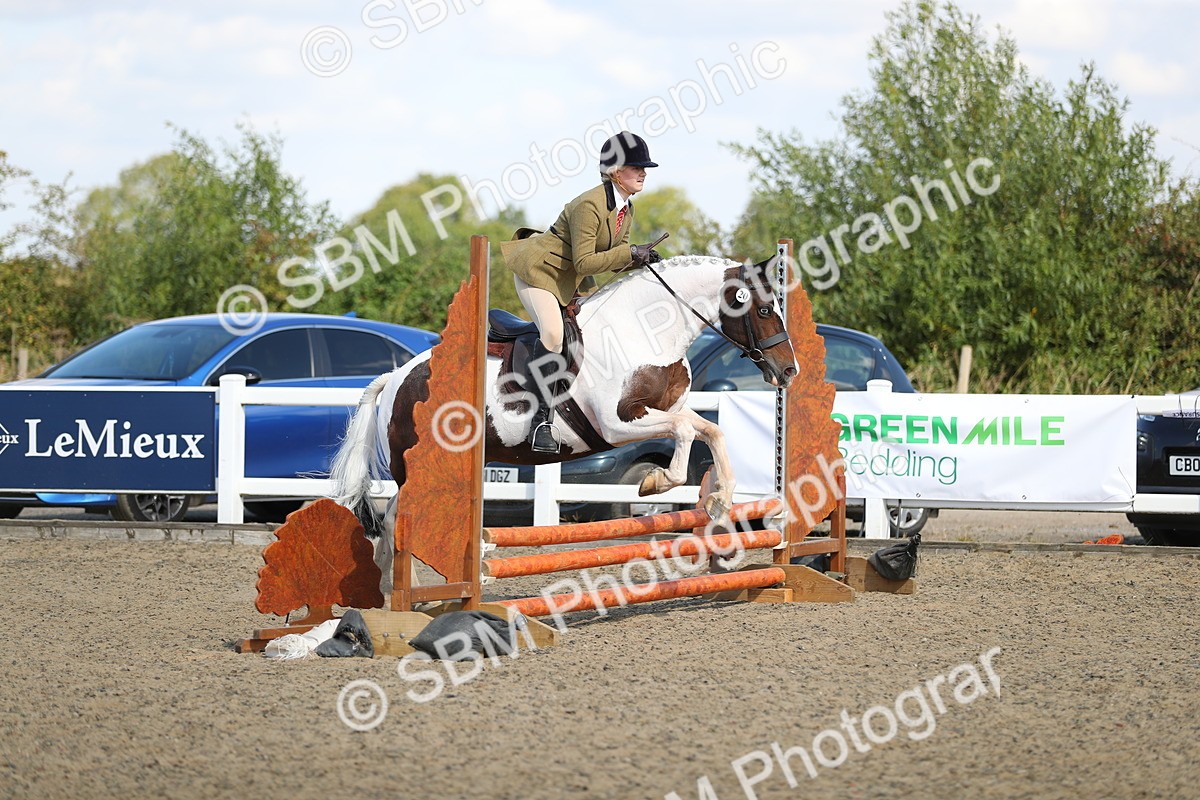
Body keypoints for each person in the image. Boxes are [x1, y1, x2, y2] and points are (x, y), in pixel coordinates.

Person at [500, 130, 664, 453]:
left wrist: (638, 259)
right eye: (637, 167)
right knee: (552, 335)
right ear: (616, 172)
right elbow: (587, 261)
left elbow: (609, 260)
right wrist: (630, 253)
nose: (644, 172)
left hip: (568, 281)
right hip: (538, 274)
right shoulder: (588, 205)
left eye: (645, 167)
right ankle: (540, 424)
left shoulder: (626, 209)